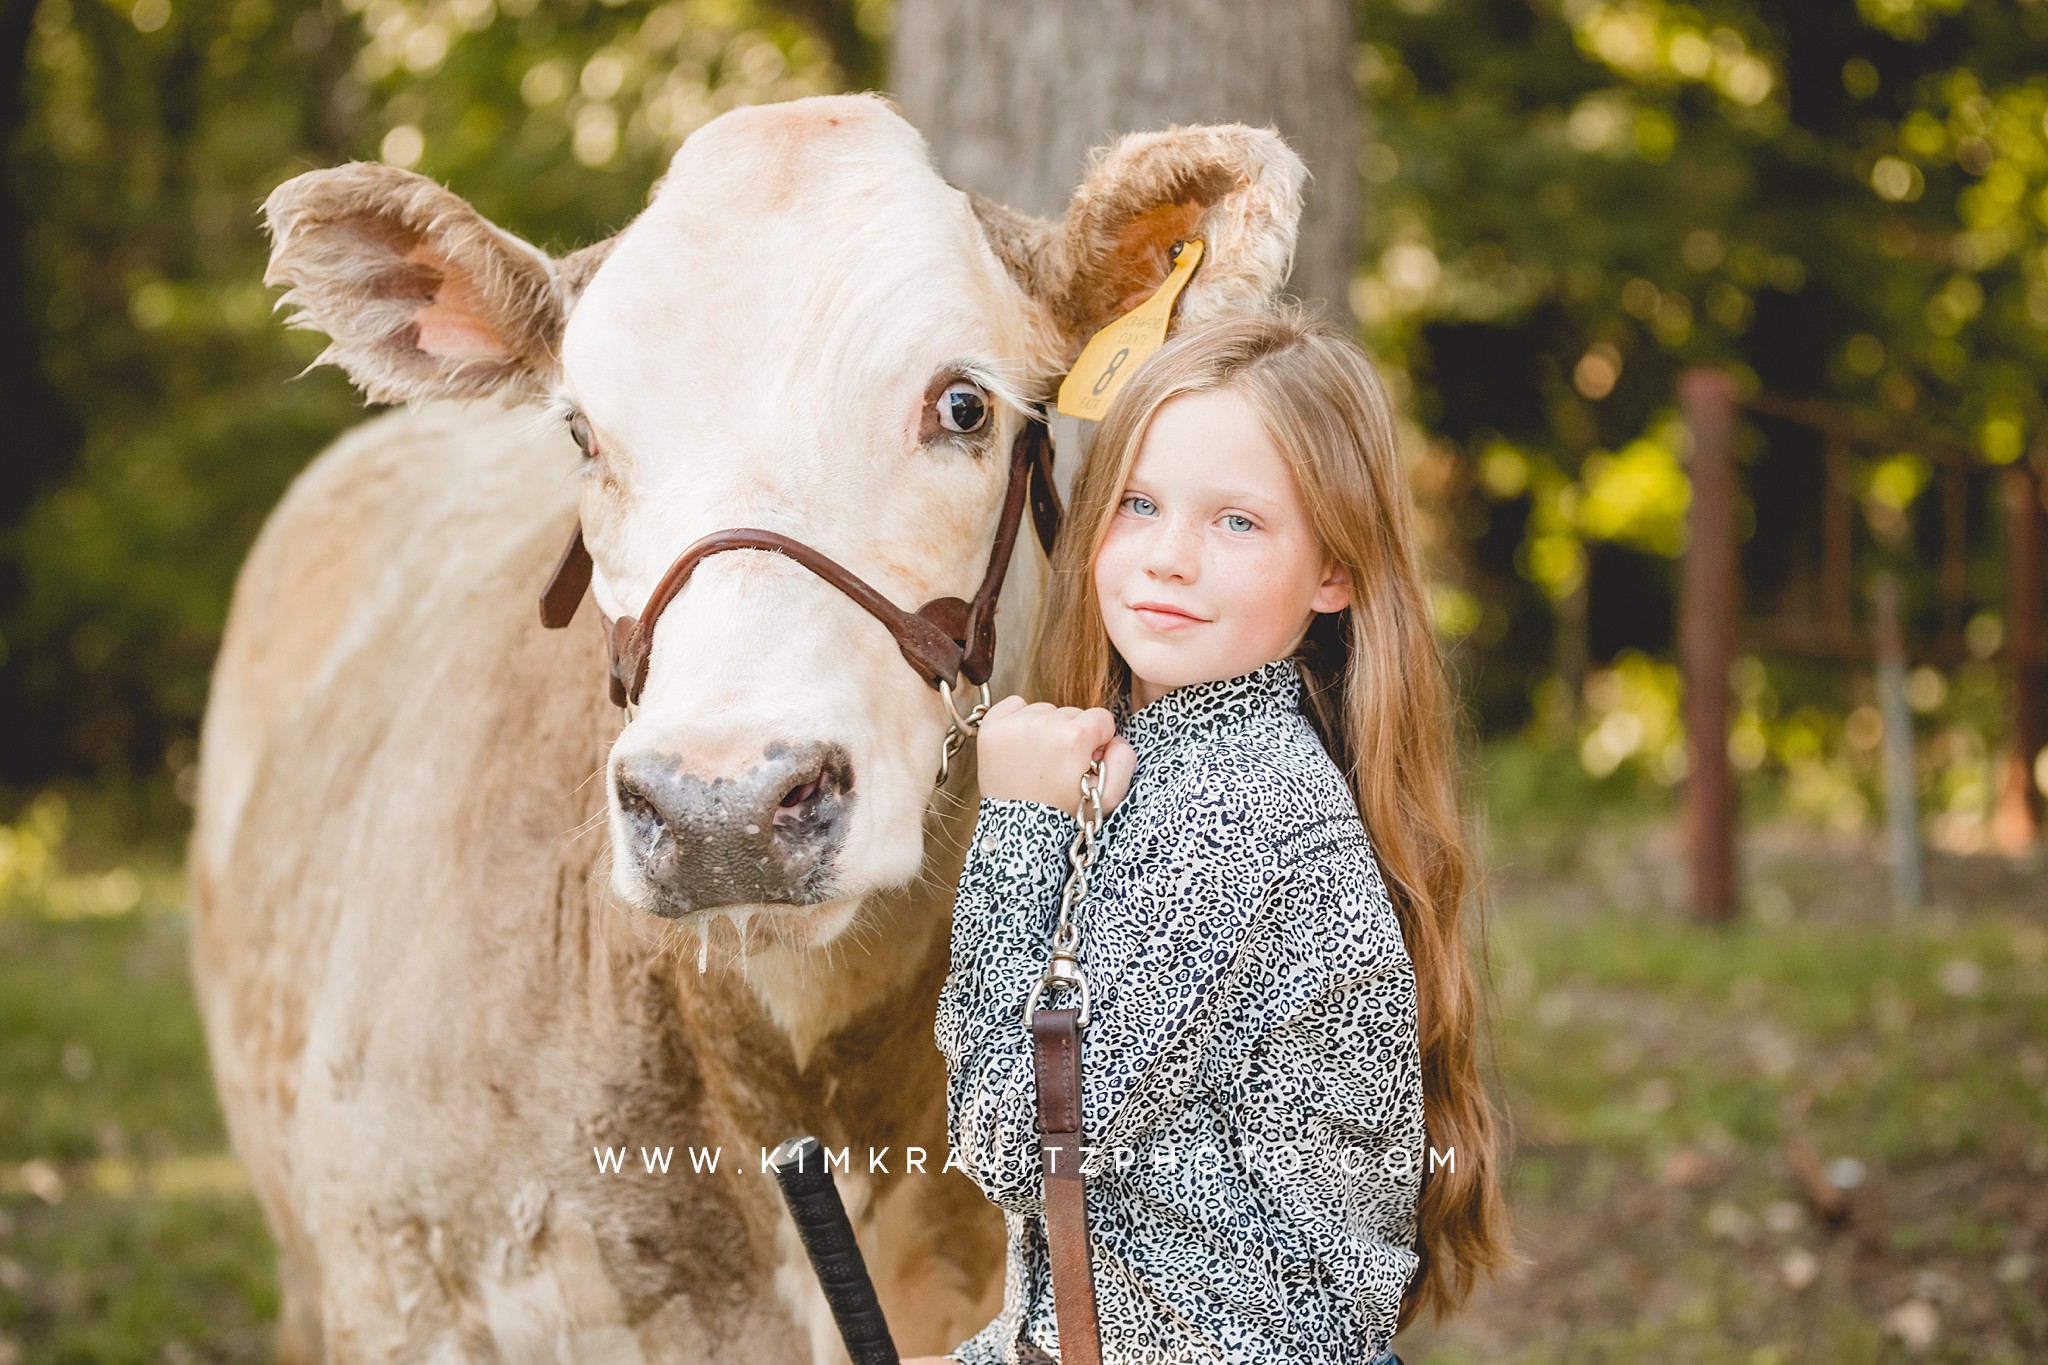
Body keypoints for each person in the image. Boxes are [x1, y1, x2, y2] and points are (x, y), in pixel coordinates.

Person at [907, 307, 1517, 1365]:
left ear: (1333, 572)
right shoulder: (1170, 772)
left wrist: (1012, 829)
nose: (1168, 559)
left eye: (1236, 523)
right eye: (1138, 504)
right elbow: (1128, 1230)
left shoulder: (1240, 818)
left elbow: (1014, 1140)